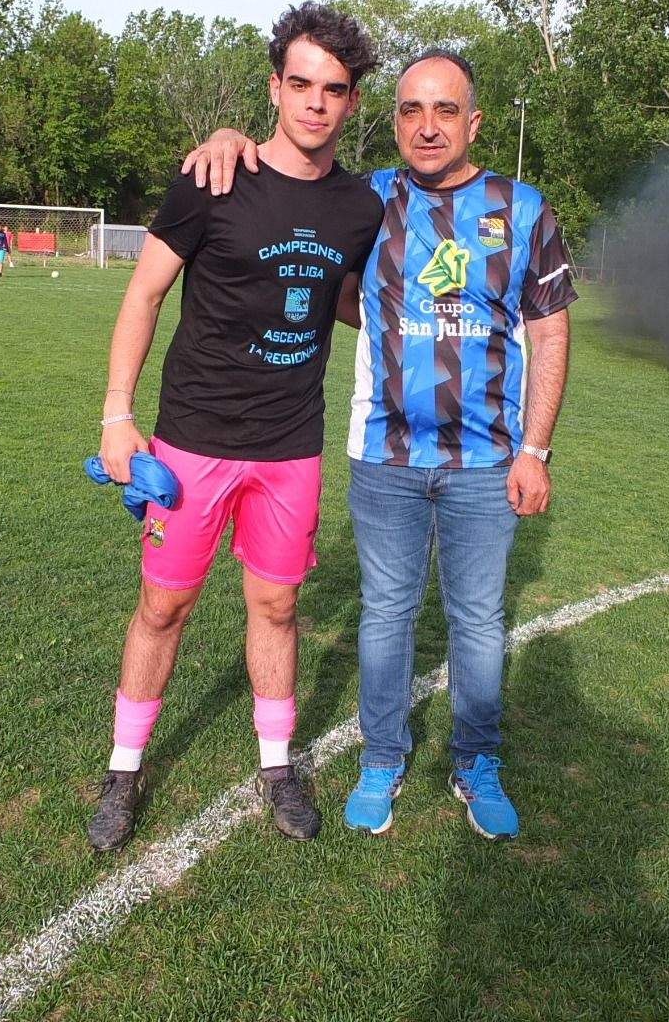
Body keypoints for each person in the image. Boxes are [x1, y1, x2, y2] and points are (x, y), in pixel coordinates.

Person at [183, 48, 577, 842]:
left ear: (474, 121)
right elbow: (285, 179)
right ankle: (381, 759)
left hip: (487, 461)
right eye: (409, 110)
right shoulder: (366, 199)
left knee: (477, 619)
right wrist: (229, 135)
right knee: (386, 615)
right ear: (391, 119)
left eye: (444, 110)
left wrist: (536, 449)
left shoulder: (523, 207)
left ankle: (477, 761)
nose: (426, 127)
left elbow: (550, 327)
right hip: (385, 455)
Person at [87, 2, 383, 852]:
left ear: (352, 102)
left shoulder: (360, 209)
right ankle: (123, 770)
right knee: (162, 605)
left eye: (334, 89)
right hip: (191, 441)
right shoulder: (214, 177)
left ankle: (277, 766)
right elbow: (143, 295)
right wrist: (117, 416)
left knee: (278, 605)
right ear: (274, 87)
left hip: (290, 448)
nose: (316, 103)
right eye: (300, 84)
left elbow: (351, 304)